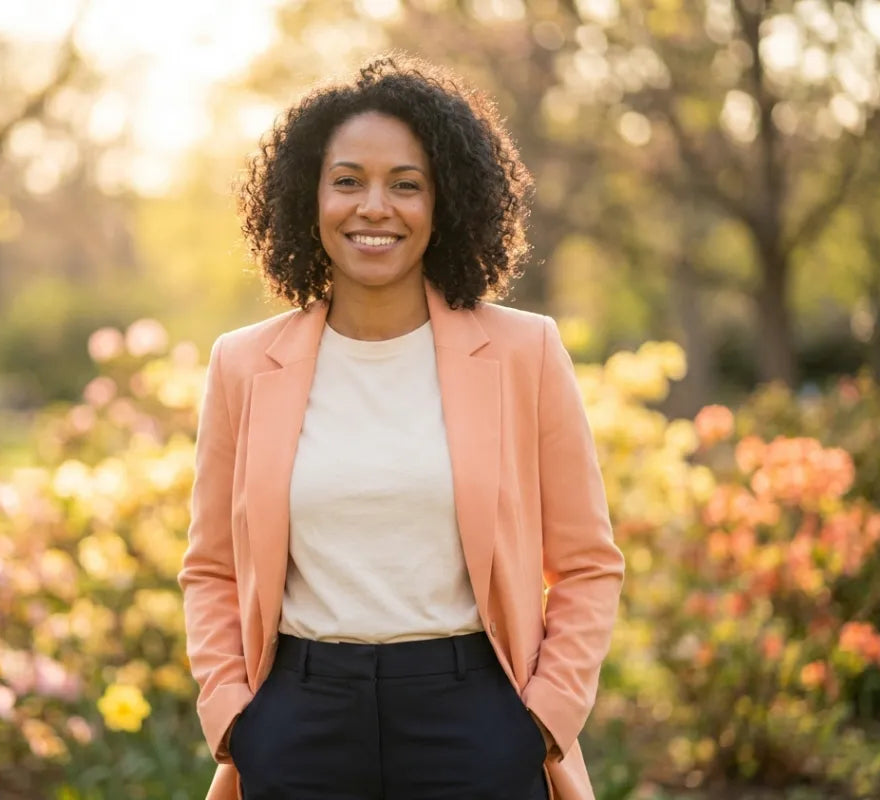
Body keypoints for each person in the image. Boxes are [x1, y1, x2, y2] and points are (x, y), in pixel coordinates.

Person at [178, 55, 624, 800]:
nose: (373, 207)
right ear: (308, 196)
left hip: (478, 717)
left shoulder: (525, 352)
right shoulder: (243, 365)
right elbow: (211, 569)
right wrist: (234, 717)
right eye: (347, 180)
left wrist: (543, 720)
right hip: (296, 720)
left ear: (444, 202)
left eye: (405, 184)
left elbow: (586, 565)